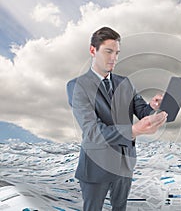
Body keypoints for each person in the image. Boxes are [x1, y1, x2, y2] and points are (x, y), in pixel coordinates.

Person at [66, 27, 167, 211]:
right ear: (92, 50)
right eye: (108, 51)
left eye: (117, 53)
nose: (114, 58)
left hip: (124, 164)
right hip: (96, 166)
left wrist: (153, 106)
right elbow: (92, 132)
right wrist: (134, 131)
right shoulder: (77, 86)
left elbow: (142, 111)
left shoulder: (125, 82)